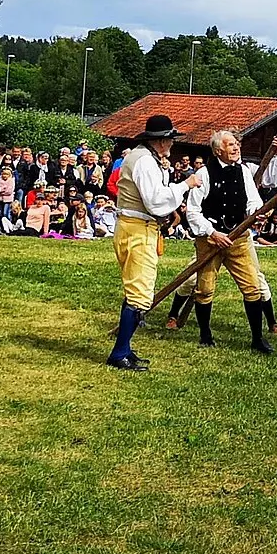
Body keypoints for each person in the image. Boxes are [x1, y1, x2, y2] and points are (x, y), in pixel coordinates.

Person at [106, 115, 205, 371]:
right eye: (170, 139)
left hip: (138, 227)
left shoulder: (144, 159)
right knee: (139, 293)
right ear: (160, 141)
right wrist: (185, 185)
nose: (172, 144)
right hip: (138, 229)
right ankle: (119, 353)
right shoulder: (144, 162)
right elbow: (155, 201)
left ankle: (124, 348)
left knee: (136, 290)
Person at [179, 130, 277, 353]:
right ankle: (205, 335)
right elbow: (193, 211)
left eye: (236, 143)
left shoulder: (244, 170)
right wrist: (211, 233)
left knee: (252, 287)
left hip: (239, 239)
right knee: (205, 289)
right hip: (211, 240)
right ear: (219, 150)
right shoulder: (204, 174)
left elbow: (252, 200)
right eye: (230, 145)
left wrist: (257, 213)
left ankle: (257, 338)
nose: (236, 147)